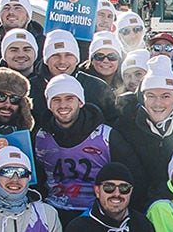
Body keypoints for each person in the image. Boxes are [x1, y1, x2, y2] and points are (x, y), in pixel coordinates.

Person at [110, 57, 173, 198]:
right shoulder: (126, 125)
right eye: (151, 96)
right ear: (143, 97)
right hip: (139, 201)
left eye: (165, 96)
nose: (158, 103)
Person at [33, 75, 113, 224]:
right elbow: (35, 179)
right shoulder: (40, 136)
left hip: (96, 212)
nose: (63, 105)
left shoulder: (105, 135)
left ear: (81, 102)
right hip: (54, 210)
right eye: (56, 99)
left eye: (69, 98)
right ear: (49, 105)